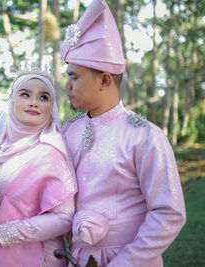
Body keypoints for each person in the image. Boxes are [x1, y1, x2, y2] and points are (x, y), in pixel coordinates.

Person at [60, 0, 186, 266]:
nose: (67, 85)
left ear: (105, 80)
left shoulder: (144, 136)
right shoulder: (68, 130)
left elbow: (168, 213)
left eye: (75, 77)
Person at [0, 70, 78, 267]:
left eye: (43, 97)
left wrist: (1, 233)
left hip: (36, 259)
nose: (33, 102)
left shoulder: (50, 153)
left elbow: (64, 218)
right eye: (25, 94)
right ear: (11, 100)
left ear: (51, 106)